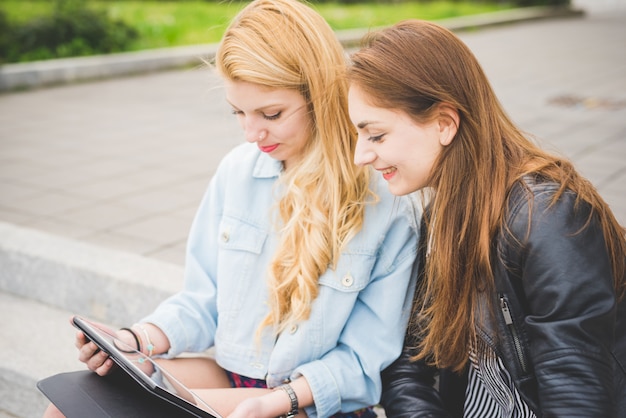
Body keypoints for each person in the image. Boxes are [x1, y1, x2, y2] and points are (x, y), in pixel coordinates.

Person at [42, 1, 418, 417]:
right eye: (238, 112)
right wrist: (135, 339)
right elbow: (202, 301)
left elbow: (362, 364)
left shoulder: (387, 203)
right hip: (229, 373)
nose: (252, 133)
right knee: (73, 403)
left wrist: (275, 401)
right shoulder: (237, 171)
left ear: (320, 95)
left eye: (270, 114)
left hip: (306, 400)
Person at [346, 19, 626, 418]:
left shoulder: (547, 218)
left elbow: (575, 391)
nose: (361, 156)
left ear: (444, 124)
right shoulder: (441, 216)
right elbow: (410, 365)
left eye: (375, 135)